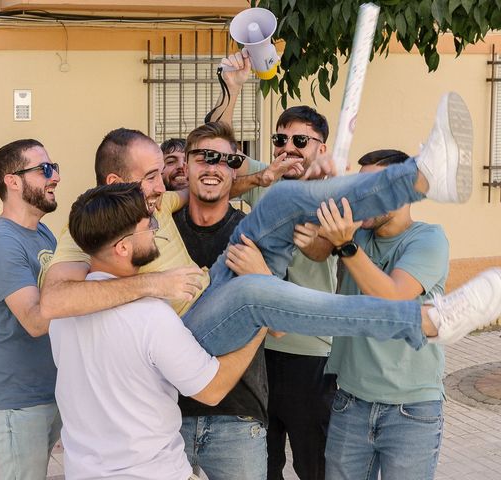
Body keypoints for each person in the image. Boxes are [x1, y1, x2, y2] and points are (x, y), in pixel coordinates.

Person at [40, 93, 501, 363]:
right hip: (186, 334)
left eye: (164, 172)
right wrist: (154, 284)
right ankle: (429, 320)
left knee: (281, 199)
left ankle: (421, 176)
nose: (167, 183)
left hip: (209, 292)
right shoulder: (83, 231)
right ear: (117, 184)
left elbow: (214, 184)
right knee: (252, 291)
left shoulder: (152, 202)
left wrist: (263, 179)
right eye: (152, 177)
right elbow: (53, 303)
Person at [49, 182, 267, 480]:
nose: (155, 227)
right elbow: (213, 389)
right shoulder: (151, 316)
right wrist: (260, 324)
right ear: (123, 247)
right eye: (147, 224)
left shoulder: (63, 315)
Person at [210, 52, 339, 480]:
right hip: (258, 352)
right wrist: (233, 88)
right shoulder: (267, 180)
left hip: (309, 352)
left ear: (321, 147)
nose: (287, 149)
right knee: (263, 467)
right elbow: (216, 152)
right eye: (280, 140)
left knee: (313, 464)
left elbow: (322, 250)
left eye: (300, 141)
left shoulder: (333, 194)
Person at [314, 149, 449, 479]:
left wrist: (346, 246)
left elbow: (392, 295)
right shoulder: (357, 232)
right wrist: (319, 194)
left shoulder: (428, 239)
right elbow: (314, 251)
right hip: (350, 402)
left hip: (411, 411)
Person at [173, 122, 269, 479]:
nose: (213, 167)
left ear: (234, 170)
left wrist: (261, 276)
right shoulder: (160, 231)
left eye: (225, 160)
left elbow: (278, 329)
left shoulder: (254, 233)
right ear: (186, 166)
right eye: (204, 157)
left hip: (237, 415)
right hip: (167, 413)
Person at [0, 139, 62, 479]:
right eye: (44, 170)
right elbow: (36, 321)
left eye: (54, 168)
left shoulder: (41, 232)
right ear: (12, 181)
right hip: (18, 400)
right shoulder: (2, 244)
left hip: (48, 389)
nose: (54, 177)